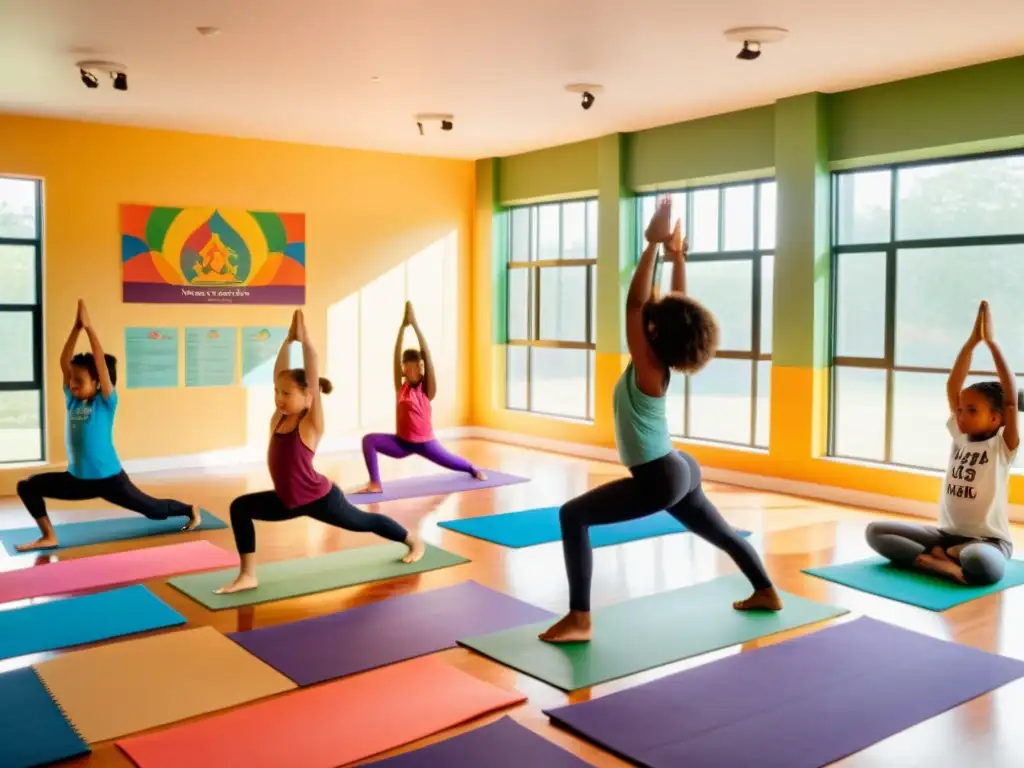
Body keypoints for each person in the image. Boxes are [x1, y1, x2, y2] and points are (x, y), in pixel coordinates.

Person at [539, 198, 781, 643]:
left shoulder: (649, 367)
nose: (648, 315)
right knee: (722, 533)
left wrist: (651, 245)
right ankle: (765, 590)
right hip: (678, 468)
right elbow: (675, 304)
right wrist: (677, 255)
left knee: (572, 515)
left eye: (652, 320)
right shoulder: (658, 361)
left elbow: (634, 304)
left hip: (659, 476)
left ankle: (580, 619)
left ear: (655, 332)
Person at [215, 309, 423, 594]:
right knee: (240, 507)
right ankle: (248, 574)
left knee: (363, 522)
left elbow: (311, 367)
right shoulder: (278, 420)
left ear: (309, 396)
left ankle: (412, 539)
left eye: (286, 394)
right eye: (277, 392)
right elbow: (279, 372)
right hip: (288, 500)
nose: (279, 398)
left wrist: (304, 340)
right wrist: (288, 341)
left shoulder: (311, 425)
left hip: (319, 498)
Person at [15, 300, 200, 551]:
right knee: (27, 486)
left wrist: (90, 330)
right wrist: (76, 328)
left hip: (110, 480)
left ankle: (189, 509)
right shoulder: (72, 401)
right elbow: (64, 361)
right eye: (72, 380)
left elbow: (101, 365)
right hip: (77, 479)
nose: (73, 385)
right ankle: (48, 535)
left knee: (153, 510)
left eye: (80, 381)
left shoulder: (105, 403)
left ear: (98, 383)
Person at [866, 301, 1017, 585]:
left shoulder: (1002, 446)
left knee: (980, 563)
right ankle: (942, 564)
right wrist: (971, 343)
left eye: (972, 410)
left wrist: (992, 344)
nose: (961, 415)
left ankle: (941, 559)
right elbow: (952, 386)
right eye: (960, 409)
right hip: (946, 536)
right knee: (875, 532)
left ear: (997, 419)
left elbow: (1010, 399)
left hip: (988, 542)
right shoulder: (960, 436)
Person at [356, 301, 485, 494]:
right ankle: (375, 483)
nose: (412, 368)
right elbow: (396, 355)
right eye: (408, 365)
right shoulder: (401, 387)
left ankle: (472, 468)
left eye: (416, 365)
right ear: (404, 368)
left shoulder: (427, 390)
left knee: (450, 460)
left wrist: (415, 325)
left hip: (426, 443)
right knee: (368, 440)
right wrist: (402, 327)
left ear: (420, 366)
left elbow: (427, 355)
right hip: (402, 443)